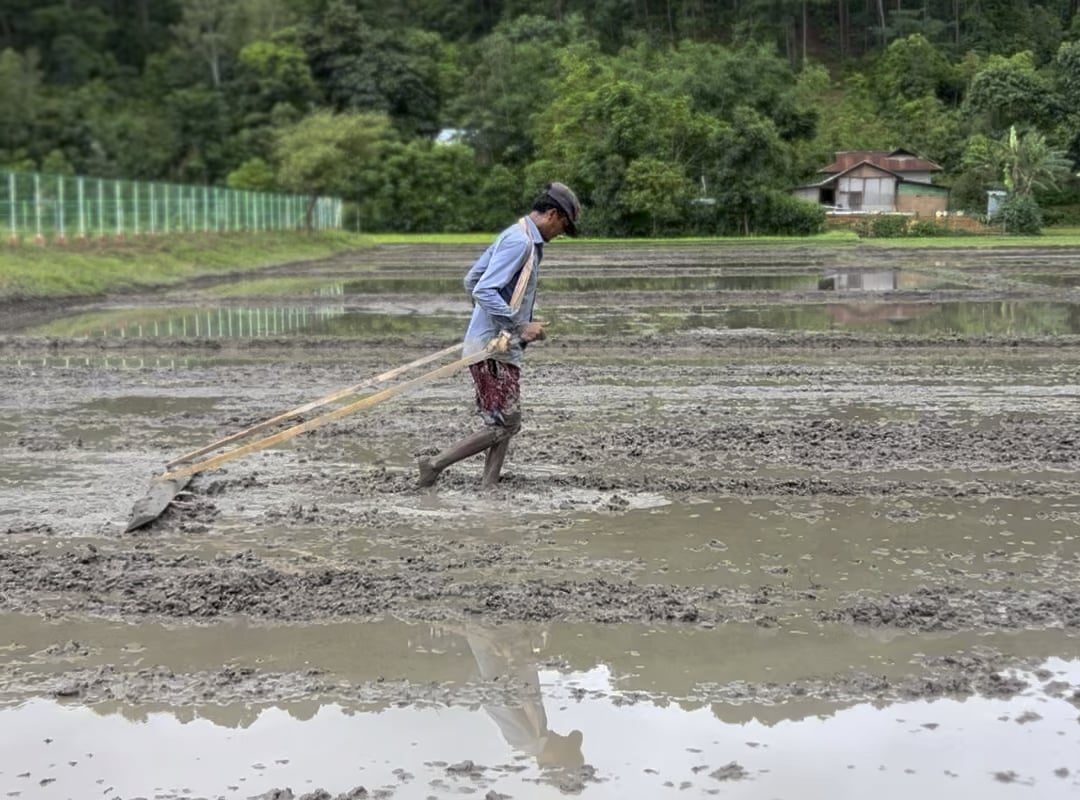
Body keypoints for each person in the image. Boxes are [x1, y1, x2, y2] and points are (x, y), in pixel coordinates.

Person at [418, 182, 581, 488]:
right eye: (563, 225)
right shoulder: (520, 242)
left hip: (494, 345)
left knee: (503, 421)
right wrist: (518, 325)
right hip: (493, 350)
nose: (561, 233)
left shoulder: (515, 234)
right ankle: (434, 465)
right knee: (507, 423)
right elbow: (482, 289)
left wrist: (493, 322)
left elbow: (472, 280)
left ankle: (489, 483)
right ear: (552, 214)